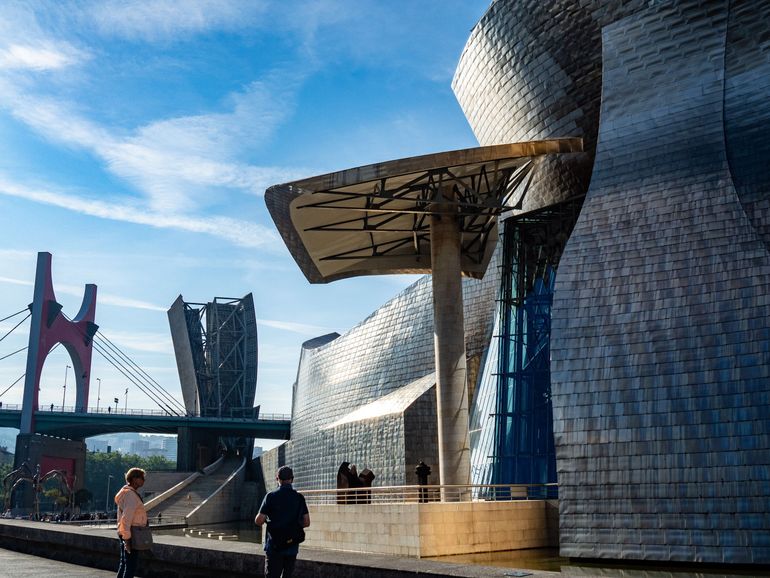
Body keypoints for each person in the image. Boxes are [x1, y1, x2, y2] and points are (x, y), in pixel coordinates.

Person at [255, 466, 310, 578]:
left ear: (277, 479)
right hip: (292, 547)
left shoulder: (270, 496)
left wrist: (268, 520)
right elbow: (306, 522)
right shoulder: (299, 498)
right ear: (292, 479)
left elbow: (258, 520)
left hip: (274, 547)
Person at [115, 467, 148, 578]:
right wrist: (127, 539)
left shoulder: (126, 493)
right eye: (142, 478)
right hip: (130, 533)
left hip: (125, 532)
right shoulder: (131, 495)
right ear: (134, 479)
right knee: (130, 567)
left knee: (124, 564)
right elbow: (126, 518)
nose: (144, 480)